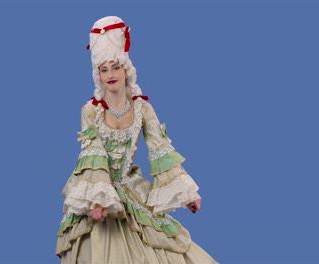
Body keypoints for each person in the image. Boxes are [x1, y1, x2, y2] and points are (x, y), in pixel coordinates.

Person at [56, 16, 218, 264]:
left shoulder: (143, 108)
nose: (110, 74)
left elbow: (160, 149)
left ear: (126, 69)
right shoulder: (90, 110)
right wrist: (98, 201)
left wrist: (186, 195)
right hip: (98, 191)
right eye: (104, 69)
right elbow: (93, 154)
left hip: (131, 187)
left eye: (115, 67)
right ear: (97, 74)